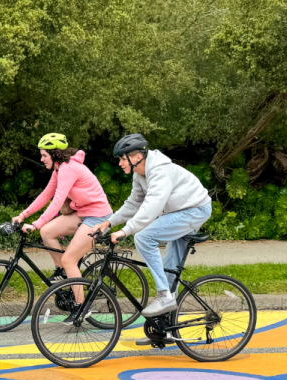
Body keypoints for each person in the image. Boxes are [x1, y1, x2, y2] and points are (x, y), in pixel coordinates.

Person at [94, 133, 212, 326]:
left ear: (138, 157)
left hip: (195, 210)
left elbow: (151, 207)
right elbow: (133, 204)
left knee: (144, 237)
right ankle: (163, 327)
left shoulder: (159, 172)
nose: (120, 163)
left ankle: (165, 296)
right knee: (168, 272)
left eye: (123, 159)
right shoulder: (140, 174)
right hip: (177, 212)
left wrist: (126, 230)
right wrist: (109, 223)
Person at [13, 133, 113, 324]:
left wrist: (35, 223)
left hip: (98, 217)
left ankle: (80, 307)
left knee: (70, 258)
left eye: (44, 155)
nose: (41, 159)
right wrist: (23, 215)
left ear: (55, 154)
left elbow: (57, 200)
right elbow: (45, 196)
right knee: (47, 232)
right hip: (83, 213)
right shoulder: (59, 170)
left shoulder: (69, 169)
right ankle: (62, 271)